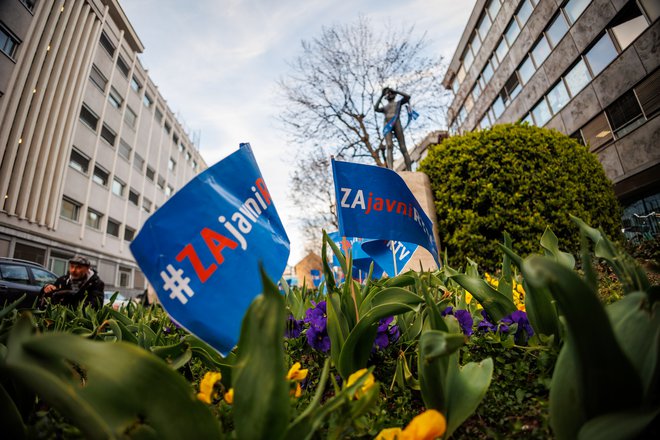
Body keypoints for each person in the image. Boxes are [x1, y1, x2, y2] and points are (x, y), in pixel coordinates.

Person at [374, 87, 413, 171]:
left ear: (394, 95)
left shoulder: (398, 103)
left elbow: (407, 97)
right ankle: (390, 169)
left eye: (391, 93)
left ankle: (409, 170)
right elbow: (375, 108)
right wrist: (381, 95)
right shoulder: (385, 107)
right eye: (388, 94)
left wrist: (396, 91)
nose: (390, 94)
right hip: (387, 124)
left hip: (396, 122)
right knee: (389, 146)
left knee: (403, 147)